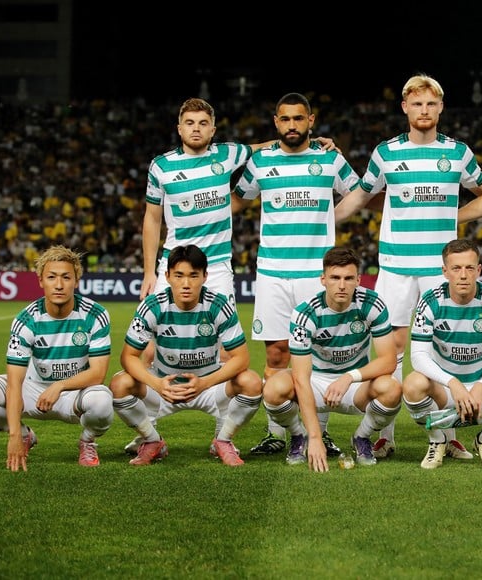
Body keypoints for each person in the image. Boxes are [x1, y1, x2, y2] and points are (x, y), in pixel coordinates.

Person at [139, 97, 338, 458]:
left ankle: (223, 434)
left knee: (224, 353)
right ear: (179, 127)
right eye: (189, 123)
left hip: (215, 267)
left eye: (203, 123)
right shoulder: (161, 166)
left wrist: (319, 140)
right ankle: (146, 431)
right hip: (173, 265)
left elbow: (266, 148)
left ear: (213, 129)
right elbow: (152, 218)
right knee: (149, 347)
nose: (196, 128)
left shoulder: (229, 155)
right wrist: (148, 271)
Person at [335, 73, 482, 460]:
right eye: (417, 103)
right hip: (396, 264)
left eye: (431, 104)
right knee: (391, 348)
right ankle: (387, 434)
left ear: (440, 108)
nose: (424, 110)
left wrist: (456, 218)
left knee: (442, 347)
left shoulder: (458, 152)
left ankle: (448, 434)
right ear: (405, 107)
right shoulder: (386, 152)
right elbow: (359, 198)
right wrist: (322, 224)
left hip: (439, 266)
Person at [235, 92, 359, 458]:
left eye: (298, 118)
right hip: (273, 273)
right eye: (285, 119)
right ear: (276, 122)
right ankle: (281, 433)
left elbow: (359, 193)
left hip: (314, 275)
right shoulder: (260, 163)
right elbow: (237, 201)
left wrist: (328, 219)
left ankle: (321, 432)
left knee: (320, 355)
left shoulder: (330, 159)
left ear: (311, 120)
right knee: (276, 354)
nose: (292, 125)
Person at [110, 244, 263, 467]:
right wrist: (156, 383)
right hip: (164, 385)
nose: (186, 283)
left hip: (209, 386)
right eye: (179, 275)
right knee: (119, 383)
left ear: (205, 276)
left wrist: (205, 383)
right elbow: (128, 357)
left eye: (193, 275)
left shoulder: (219, 305)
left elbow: (241, 358)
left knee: (252, 382)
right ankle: (152, 441)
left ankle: (222, 440)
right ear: (168, 276)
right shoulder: (152, 307)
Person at [261, 246, 401, 472]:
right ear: (323, 279)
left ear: (358, 279)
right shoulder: (305, 313)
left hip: (356, 385)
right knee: (273, 388)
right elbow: (300, 378)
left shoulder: (372, 304)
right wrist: (315, 436)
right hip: (315, 382)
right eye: (335, 277)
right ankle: (300, 437)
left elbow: (388, 361)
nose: (342, 285)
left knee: (392, 388)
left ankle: (361, 437)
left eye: (348, 278)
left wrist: (348, 377)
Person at [0, 245, 113, 471]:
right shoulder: (26, 320)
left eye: (66, 277)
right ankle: (25, 436)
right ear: (41, 281)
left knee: (102, 402)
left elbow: (98, 373)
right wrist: (13, 435)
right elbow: (14, 382)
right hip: (33, 390)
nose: (59, 285)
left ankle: (87, 442)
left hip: (75, 392)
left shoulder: (95, 314)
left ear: (76, 280)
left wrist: (59, 386)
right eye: (51, 277)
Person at [402, 239, 482, 470]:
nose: (463, 275)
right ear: (445, 271)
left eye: (469, 268)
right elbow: (418, 356)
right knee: (412, 384)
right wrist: (453, 383)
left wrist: (480, 386)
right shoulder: (429, 302)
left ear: (478, 270)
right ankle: (438, 441)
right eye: (456, 268)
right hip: (446, 388)